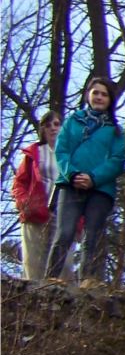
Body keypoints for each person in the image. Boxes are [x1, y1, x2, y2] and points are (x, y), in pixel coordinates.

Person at [46, 77, 125, 282]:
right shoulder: (73, 121)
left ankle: (87, 282)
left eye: (104, 94)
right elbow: (61, 150)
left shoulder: (116, 130)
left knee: (92, 237)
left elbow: (118, 160)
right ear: (88, 95)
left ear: (110, 100)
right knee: (64, 233)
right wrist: (72, 174)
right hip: (69, 185)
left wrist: (93, 178)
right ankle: (49, 280)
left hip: (100, 190)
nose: (99, 97)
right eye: (96, 92)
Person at [14, 111, 62, 280]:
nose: (52, 128)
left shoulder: (68, 155)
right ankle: (30, 306)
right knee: (33, 267)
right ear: (42, 128)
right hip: (35, 215)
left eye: (56, 124)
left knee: (62, 269)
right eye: (48, 125)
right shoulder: (34, 153)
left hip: (61, 216)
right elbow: (19, 183)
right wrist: (25, 205)